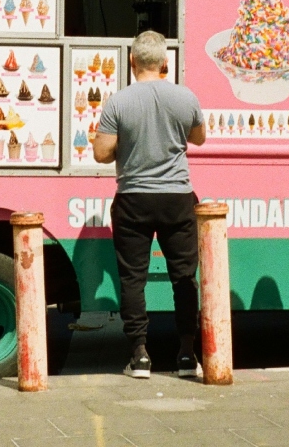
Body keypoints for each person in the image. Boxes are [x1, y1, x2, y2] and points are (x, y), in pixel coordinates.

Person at [92, 31, 206, 379]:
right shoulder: (184, 97)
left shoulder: (117, 102)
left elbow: (101, 153)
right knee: (184, 277)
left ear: (131, 62)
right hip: (177, 198)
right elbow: (199, 138)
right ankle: (186, 354)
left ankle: (139, 355)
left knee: (133, 279)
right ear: (165, 64)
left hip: (133, 200)